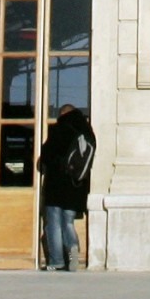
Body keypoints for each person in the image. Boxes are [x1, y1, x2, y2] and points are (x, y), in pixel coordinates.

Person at [35, 102, 96, 271]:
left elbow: (46, 157)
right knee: (68, 223)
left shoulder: (59, 129)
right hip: (77, 186)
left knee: (53, 223)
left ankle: (57, 261)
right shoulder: (86, 131)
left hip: (56, 184)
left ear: (62, 115)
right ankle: (73, 250)